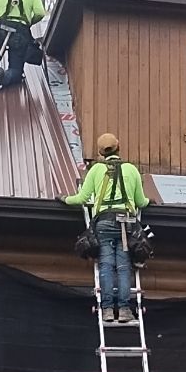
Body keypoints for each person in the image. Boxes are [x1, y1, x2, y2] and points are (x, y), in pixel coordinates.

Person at [61, 134, 149, 323]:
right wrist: (151, 201)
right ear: (119, 146)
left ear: (100, 152)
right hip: (125, 223)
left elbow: (82, 198)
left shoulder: (96, 170)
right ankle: (124, 310)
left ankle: (107, 310)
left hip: (103, 222)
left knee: (106, 266)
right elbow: (141, 201)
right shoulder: (131, 169)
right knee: (124, 267)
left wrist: (64, 199)